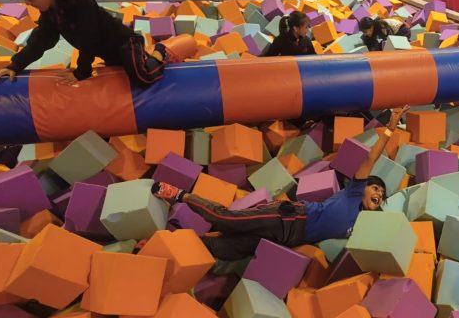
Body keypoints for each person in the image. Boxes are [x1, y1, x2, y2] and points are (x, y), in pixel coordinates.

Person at [151, 106, 409, 260]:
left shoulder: (360, 225)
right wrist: (390, 129)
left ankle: (164, 244)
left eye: (382, 194)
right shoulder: (353, 194)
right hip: (287, 219)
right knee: (227, 220)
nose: (378, 193)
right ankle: (180, 194)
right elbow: (371, 158)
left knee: (226, 249)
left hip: (285, 239)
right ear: (363, 187)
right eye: (375, 187)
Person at [0, 0, 165, 87]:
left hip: (126, 42)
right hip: (108, 53)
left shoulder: (80, 3)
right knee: (120, 72)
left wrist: (81, 73)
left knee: (141, 78)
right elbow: (41, 41)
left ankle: (159, 52)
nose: (26, 3)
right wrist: (15, 66)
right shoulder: (50, 12)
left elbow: (88, 40)